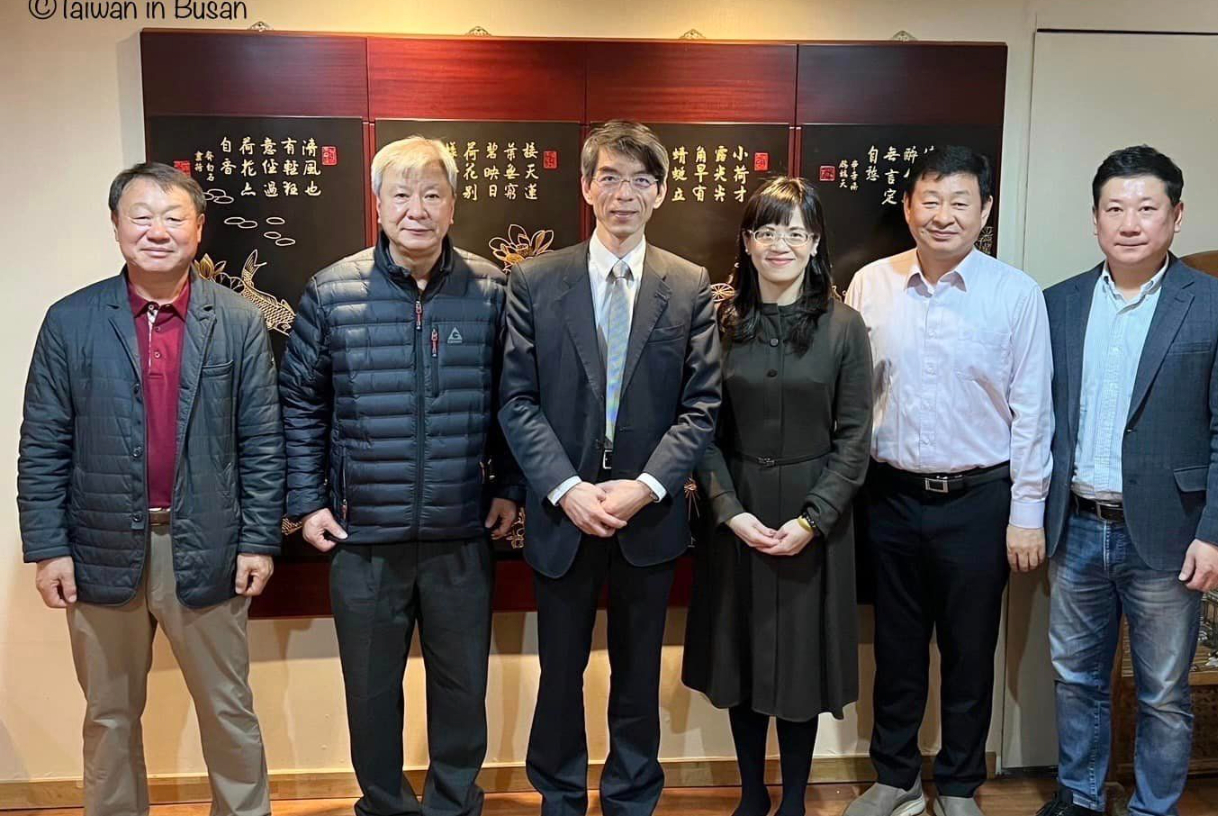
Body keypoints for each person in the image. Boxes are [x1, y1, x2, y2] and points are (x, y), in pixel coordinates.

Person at [18, 162, 284, 816]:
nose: (157, 230)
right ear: (116, 226)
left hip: (209, 546)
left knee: (228, 710)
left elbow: (263, 440)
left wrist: (258, 540)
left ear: (199, 228)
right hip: (100, 547)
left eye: (173, 217)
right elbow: (43, 444)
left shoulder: (238, 320)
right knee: (108, 715)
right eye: (141, 216)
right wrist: (49, 549)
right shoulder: (70, 321)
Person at [278, 136, 522, 816]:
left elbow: (515, 399)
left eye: (432, 194)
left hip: (460, 532)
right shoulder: (332, 290)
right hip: (362, 538)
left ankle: (453, 803)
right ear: (379, 204)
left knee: (462, 688)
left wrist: (510, 486)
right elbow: (299, 401)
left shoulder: (492, 289)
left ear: (453, 206)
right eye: (402, 194)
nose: (418, 209)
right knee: (369, 689)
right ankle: (384, 804)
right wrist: (307, 502)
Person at [499, 120, 721, 816]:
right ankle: (560, 796)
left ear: (662, 192)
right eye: (611, 178)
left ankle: (631, 798)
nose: (625, 194)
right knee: (559, 673)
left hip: (647, 518)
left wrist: (646, 487)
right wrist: (566, 488)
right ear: (586, 186)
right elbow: (516, 400)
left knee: (638, 674)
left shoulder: (688, 285)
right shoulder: (536, 280)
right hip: (563, 516)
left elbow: (701, 406)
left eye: (641, 180)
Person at [1034, 146, 1218, 816]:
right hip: (1076, 526)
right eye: (1114, 208)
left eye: (1145, 208)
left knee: (1163, 689)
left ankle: (1153, 807)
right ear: (1095, 218)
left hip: (1172, 534)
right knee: (1075, 677)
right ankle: (1080, 795)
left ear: (1176, 215)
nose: (1129, 223)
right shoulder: (1059, 303)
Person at [844, 146, 1053, 816]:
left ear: (985, 210)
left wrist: (1027, 513)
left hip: (980, 500)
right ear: (908, 207)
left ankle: (959, 785)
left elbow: (1033, 412)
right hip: (890, 496)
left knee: (970, 649)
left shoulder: (1015, 294)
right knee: (896, 647)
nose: (943, 215)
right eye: (930, 200)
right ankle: (896, 776)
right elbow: (850, 399)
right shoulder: (870, 284)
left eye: (960, 201)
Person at [682, 177, 872, 816]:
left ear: (815, 242)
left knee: (798, 667)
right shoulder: (720, 324)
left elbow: (855, 439)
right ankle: (751, 796)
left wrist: (813, 520)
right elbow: (700, 429)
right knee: (739, 659)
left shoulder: (844, 327)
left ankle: (793, 799)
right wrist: (728, 512)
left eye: (795, 231)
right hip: (735, 512)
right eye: (766, 230)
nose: (780, 244)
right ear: (747, 242)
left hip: (813, 519)